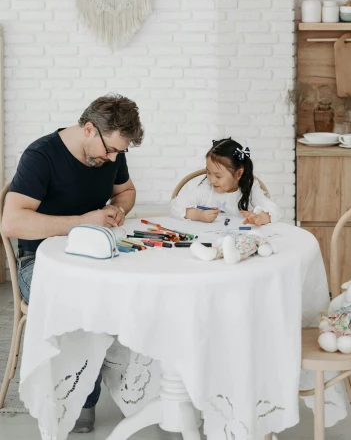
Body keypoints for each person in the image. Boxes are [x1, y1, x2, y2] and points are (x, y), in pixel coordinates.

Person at [2, 93, 144, 433]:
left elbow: (126, 192)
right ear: (89, 129)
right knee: (89, 301)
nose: (112, 158)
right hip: (38, 264)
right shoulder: (41, 156)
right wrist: (83, 221)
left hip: (93, 256)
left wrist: (119, 210)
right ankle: (78, 398)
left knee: (141, 291)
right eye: (109, 150)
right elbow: (11, 223)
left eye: (119, 153)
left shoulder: (111, 156)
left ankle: (140, 390)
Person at [170, 138, 281, 225]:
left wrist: (260, 218)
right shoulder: (206, 189)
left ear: (238, 174)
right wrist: (198, 215)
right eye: (208, 173)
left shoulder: (251, 190)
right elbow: (175, 206)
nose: (212, 180)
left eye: (218, 176)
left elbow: (274, 210)